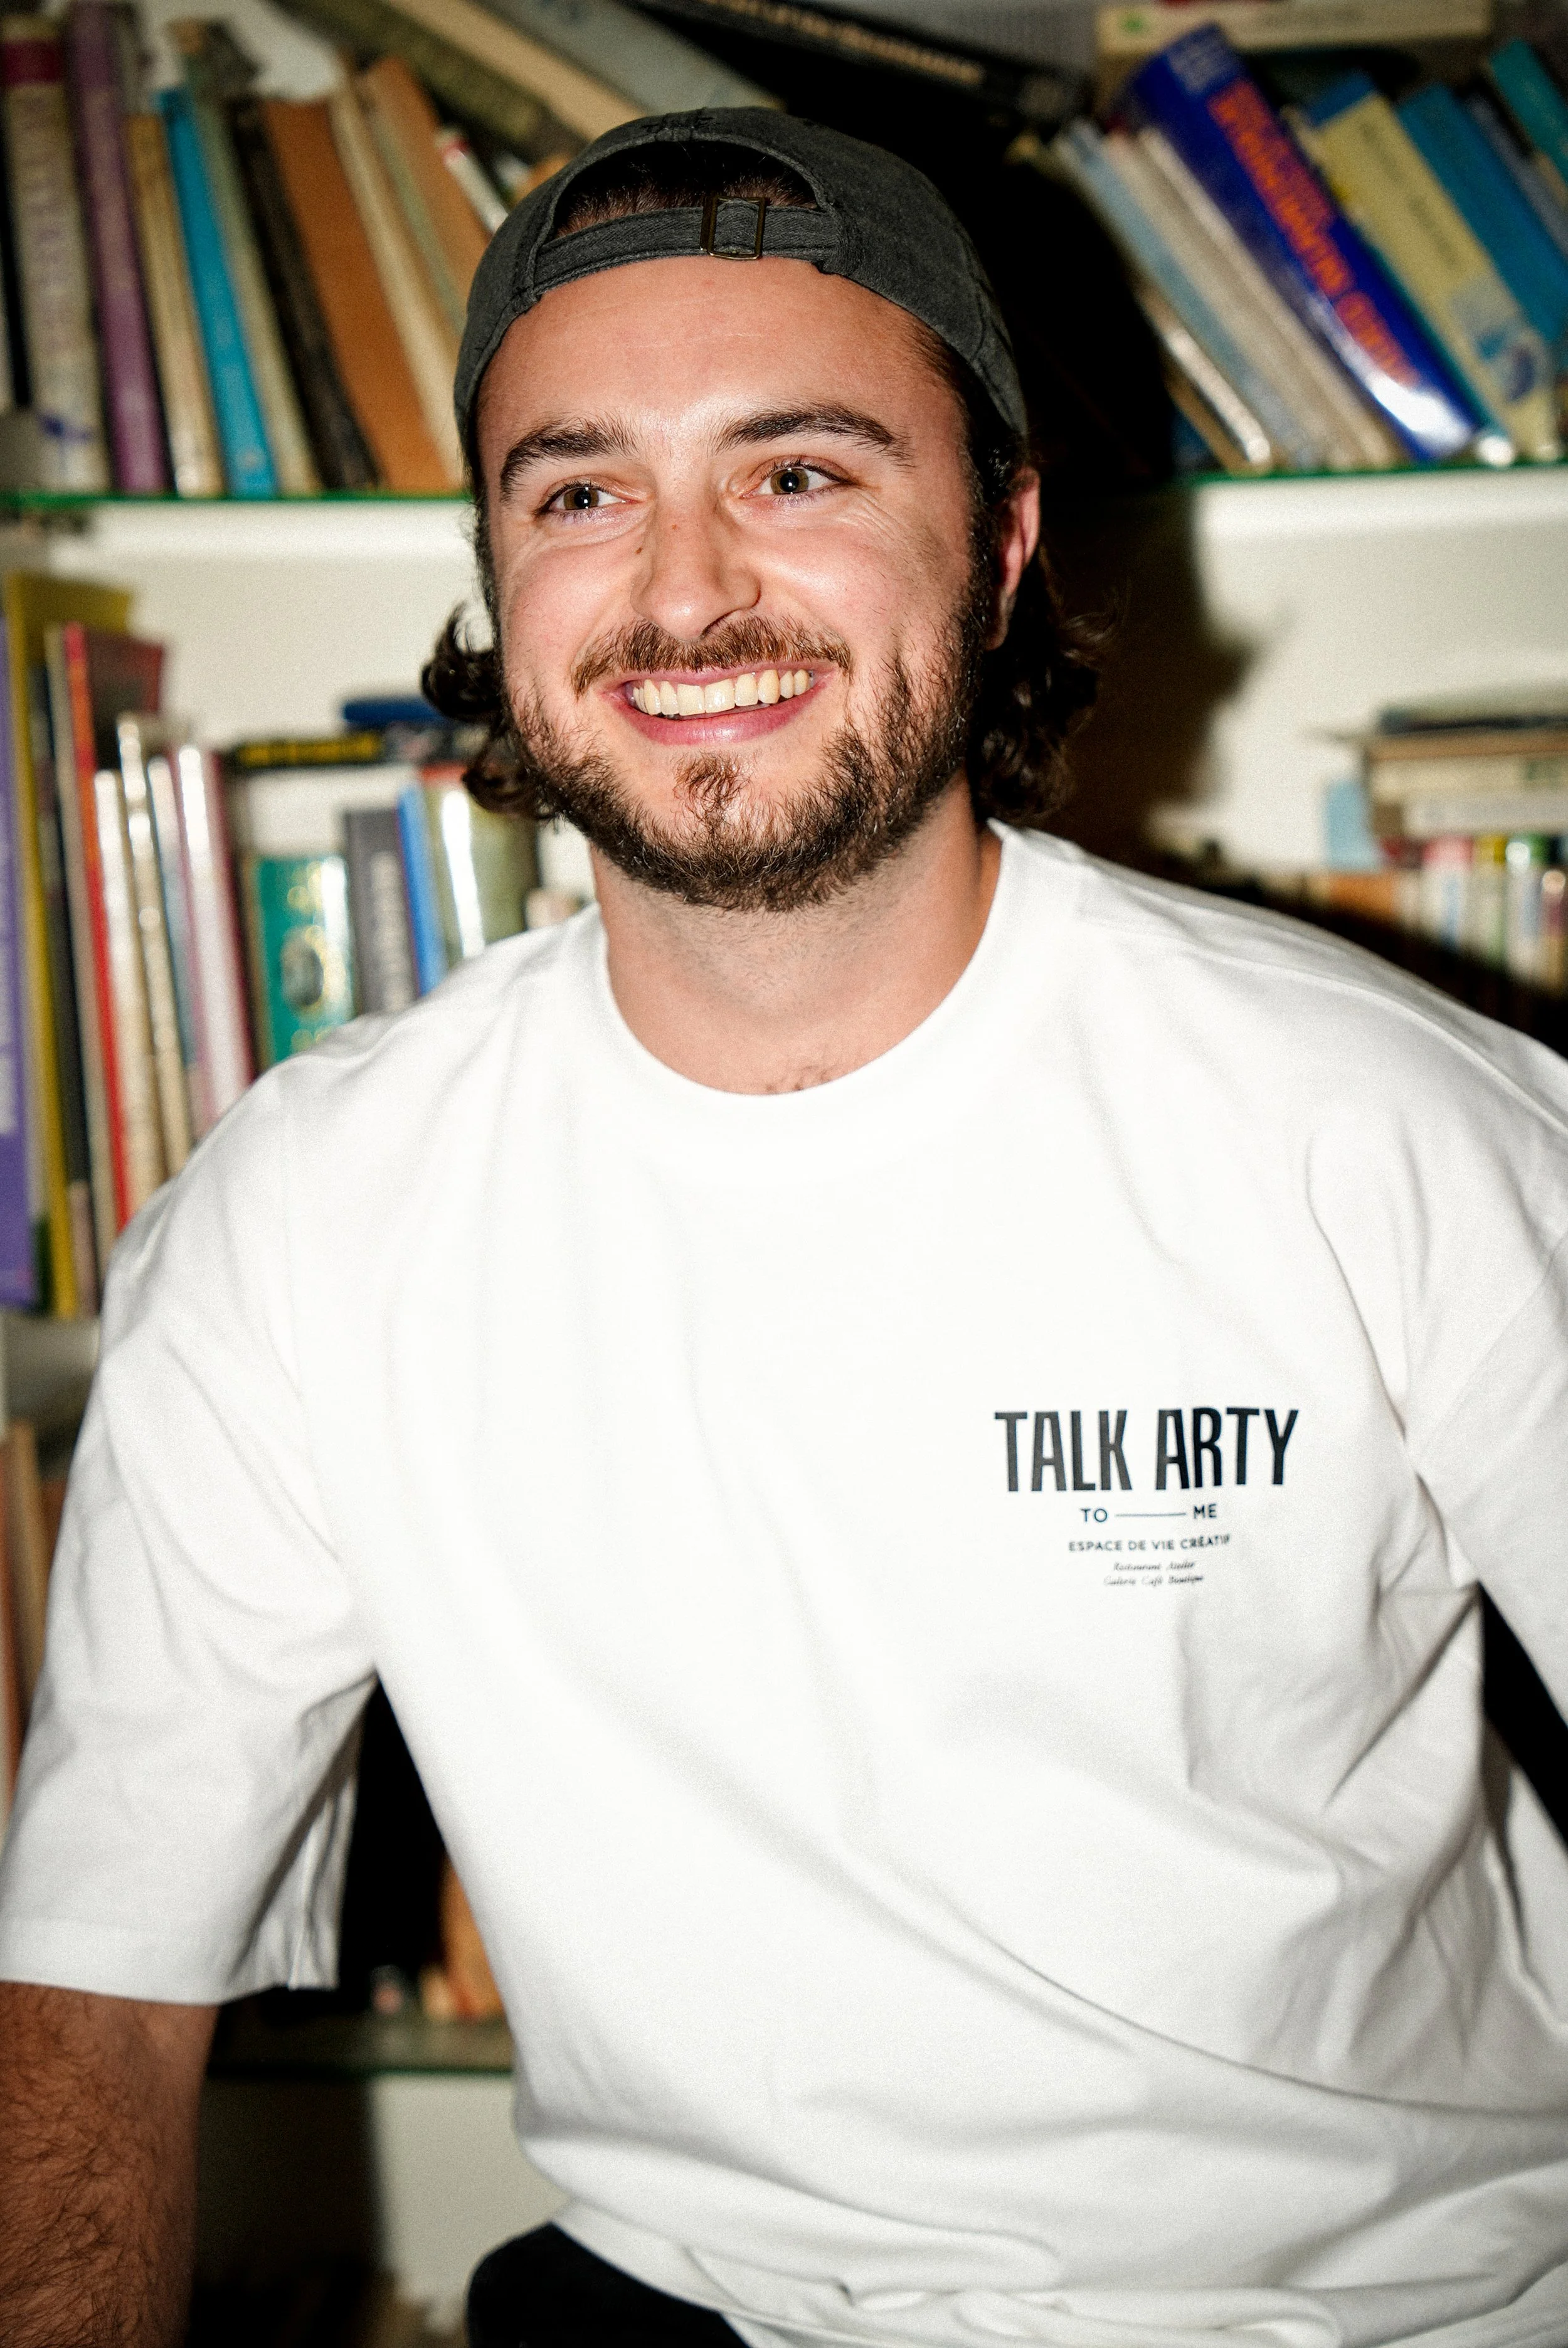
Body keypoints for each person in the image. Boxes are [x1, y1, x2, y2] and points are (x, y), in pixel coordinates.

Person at [2, 105, 1567, 2348]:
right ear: (491, 563)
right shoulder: (303, 1219)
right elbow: (91, 1998)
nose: (683, 584)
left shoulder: (1394, 1132)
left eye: (800, 468)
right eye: (578, 489)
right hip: (694, 2305)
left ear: (1003, 538)